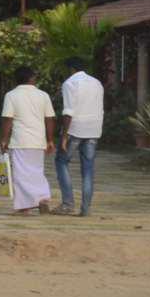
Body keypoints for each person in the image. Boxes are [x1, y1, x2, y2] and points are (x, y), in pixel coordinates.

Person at [0, 72, 56, 213]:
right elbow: (49, 119)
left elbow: (8, 119)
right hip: (38, 141)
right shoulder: (43, 95)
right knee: (37, 171)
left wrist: (4, 139)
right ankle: (42, 198)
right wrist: (50, 140)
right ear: (32, 78)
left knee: (20, 174)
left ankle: (25, 206)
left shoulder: (11, 95)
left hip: (21, 140)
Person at [55, 61, 106, 216]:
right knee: (88, 169)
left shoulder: (70, 83)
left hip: (75, 129)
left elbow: (68, 112)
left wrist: (64, 135)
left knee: (61, 161)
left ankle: (68, 203)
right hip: (93, 129)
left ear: (71, 68)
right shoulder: (97, 83)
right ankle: (86, 208)